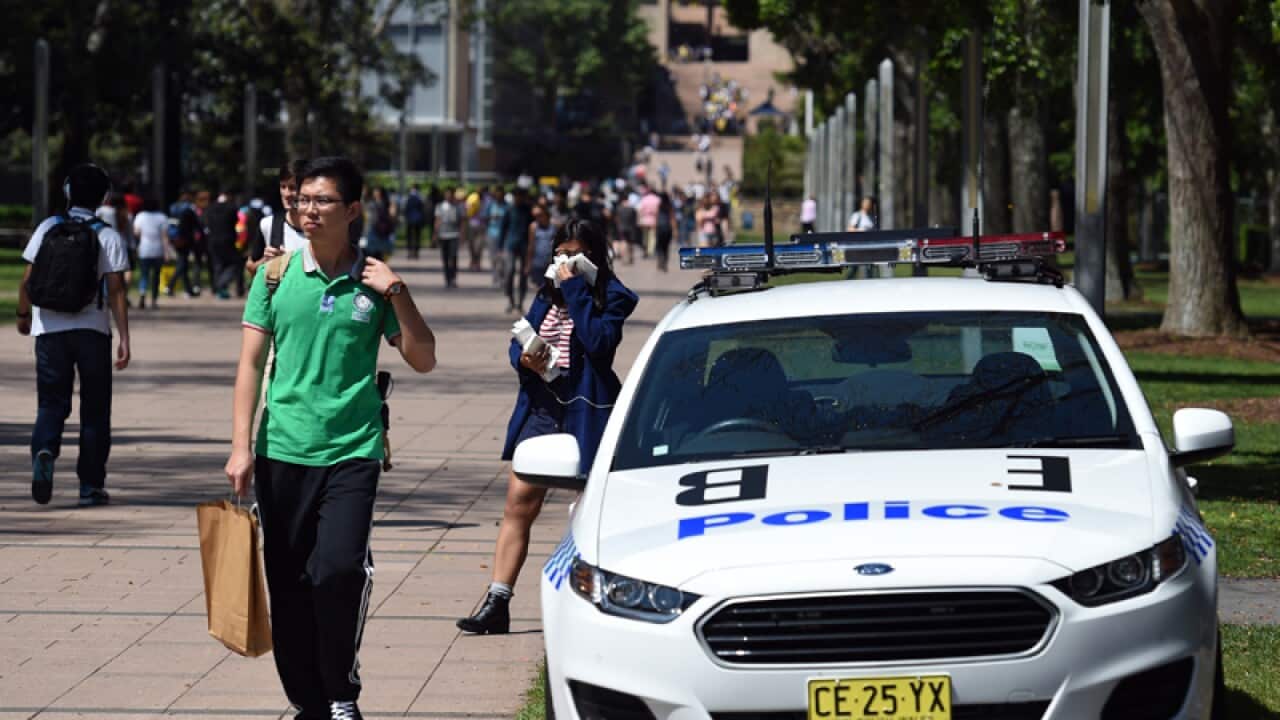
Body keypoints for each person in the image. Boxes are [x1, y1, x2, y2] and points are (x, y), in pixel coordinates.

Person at [225, 156, 437, 720]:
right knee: (288, 582)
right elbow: (250, 365)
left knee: (339, 570)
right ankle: (307, 700)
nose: (307, 210)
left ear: (352, 210)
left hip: (353, 450)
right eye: (302, 201)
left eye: (322, 201)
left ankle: (342, 693)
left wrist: (399, 293)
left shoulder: (373, 283)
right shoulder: (274, 276)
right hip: (281, 449)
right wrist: (240, 445)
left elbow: (423, 358)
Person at [457, 217, 637, 635]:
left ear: (593, 256)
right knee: (519, 503)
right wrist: (524, 358)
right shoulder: (545, 294)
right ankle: (497, 602)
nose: (564, 263)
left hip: (588, 413)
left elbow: (599, 345)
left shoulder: (613, 297)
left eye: (575, 254)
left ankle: (596, 604)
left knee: (590, 509)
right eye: (559, 254)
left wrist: (575, 288)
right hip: (543, 410)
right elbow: (519, 339)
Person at [17, 162, 131, 507]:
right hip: (93, 331)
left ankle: (45, 451)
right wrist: (124, 337)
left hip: (49, 328)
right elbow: (116, 292)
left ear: (68, 192)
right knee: (95, 409)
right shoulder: (108, 235)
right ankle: (91, 485)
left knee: (51, 403)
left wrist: (23, 315)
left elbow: (27, 278)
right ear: (104, 197)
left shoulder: (47, 227)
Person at [249, 161, 309, 276]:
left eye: (293, 188)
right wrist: (267, 262)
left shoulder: (323, 228)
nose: (286, 194)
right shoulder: (269, 224)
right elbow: (251, 267)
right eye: (283, 187)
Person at [132, 196, 170, 309]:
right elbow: (165, 237)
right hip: (158, 250)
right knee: (156, 276)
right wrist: (167, 252)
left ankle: (142, 295)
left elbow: (136, 232)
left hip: (144, 249)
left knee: (144, 275)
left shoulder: (140, 216)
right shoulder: (162, 217)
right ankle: (154, 300)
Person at [501, 187, 534, 313]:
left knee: (523, 275)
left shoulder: (528, 210)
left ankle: (520, 302)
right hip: (511, 245)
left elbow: (532, 228)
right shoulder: (509, 209)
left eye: (520, 196)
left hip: (524, 246)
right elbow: (503, 228)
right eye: (516, 196)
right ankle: (510, 300)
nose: (518, 199)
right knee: (509, 272)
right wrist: (500, 247)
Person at [204, 192, 242, 299]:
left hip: (212, 241)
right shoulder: (231, 208)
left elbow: (206, 223)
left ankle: (218, 289)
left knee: (218, 265)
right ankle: (221, 284)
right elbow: (235, 221)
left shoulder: (210, 208)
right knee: (235, 264)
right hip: (227, 240)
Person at [167, 191, 201, 297]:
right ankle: (170, 286)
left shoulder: (173, 208)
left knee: (184, 264)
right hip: (185, 240)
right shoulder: (188, 210)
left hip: (175, 239)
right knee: (182, 264)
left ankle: (188, 290)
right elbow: (197, 224)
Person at [434, 187, 462, 288]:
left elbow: (461, 221)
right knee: (445, 258)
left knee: (453, 257)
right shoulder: (440, 207)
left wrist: (462, 234)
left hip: (454, 235)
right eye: (447, 194)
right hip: (443, 235)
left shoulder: (457, 207)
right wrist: (435, 234)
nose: (449, 196)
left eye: (450, 194)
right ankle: (447, 278)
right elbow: (437, 220)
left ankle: (453, 277)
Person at [485, 186, 509, 288]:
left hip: (504, 236)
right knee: (494, 258)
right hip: (492, 234)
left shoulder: (508, 206)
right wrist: (491, 218)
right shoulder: (491, 205)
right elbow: (485, 218)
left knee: (503, 259)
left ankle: (503, 278)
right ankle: (495, 278)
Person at [365, 186, 396, 260]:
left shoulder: (387, 203)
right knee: (373, 252)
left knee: (382, 251)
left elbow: (392, 215)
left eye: (377, 192)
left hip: (384, 229)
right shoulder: (371, 203)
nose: (375, 193)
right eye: (375, 192)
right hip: (374, 228)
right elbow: (368, 217)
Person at [402, 184, 426, 259]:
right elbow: (423, 208)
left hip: (409, 220)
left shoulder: (407, 197)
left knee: (409, 236)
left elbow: (405, 208)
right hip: (418, 219)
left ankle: (409, 252)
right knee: (417, 236)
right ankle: (416, 252)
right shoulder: (420, 197)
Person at [637, 185, 660, 259]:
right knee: (652, 236)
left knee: (645, 236)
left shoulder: (644, 199)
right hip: (654, 219)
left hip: (644, 220)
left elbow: (640, 210)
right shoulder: (657, 199)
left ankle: (645, 249)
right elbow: (658, 211)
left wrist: (639, 219)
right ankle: (650, 251)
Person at [655, 191, 676, 272]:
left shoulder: (659, 205)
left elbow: (656, 217)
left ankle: (660, 261)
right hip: (667, 228)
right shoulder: (670, 206)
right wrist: (675, 230)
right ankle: (665, 264)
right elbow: (672, 218)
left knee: (659, 246)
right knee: (666, 247)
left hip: (660, 228)